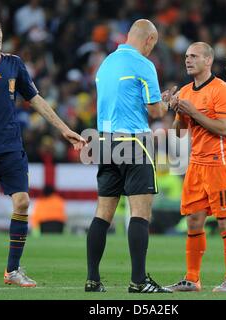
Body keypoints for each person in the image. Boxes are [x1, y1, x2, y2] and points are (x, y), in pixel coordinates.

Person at [0, 14, 86, 289]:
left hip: (11, 147)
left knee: (21, 202)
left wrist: (63, 128)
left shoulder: (14, 64)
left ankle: (12, 270)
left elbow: (36, 99)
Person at [85, 19, 173, 293]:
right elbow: (156, 112)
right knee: (140, 213)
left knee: (103, 213)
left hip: (104, 141)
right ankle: (138, 281)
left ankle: (92, 279)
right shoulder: (143, 65)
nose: (151, 50)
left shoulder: (106, 63)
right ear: (148, 40)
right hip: (134, 141)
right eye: (153, 45)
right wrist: (169, 102)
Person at [167, 42, 226, 293]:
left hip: (221, 163)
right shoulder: (185, 92)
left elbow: (224, 129)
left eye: (194, 56)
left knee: (225, 221)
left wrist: (193, 112)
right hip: (197, 164)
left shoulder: (222, 90)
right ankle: (192, 279)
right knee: (193, 221)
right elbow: (178, 134)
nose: (188, 60)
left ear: (208, 61)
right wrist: (178, 111)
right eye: (186, 56)